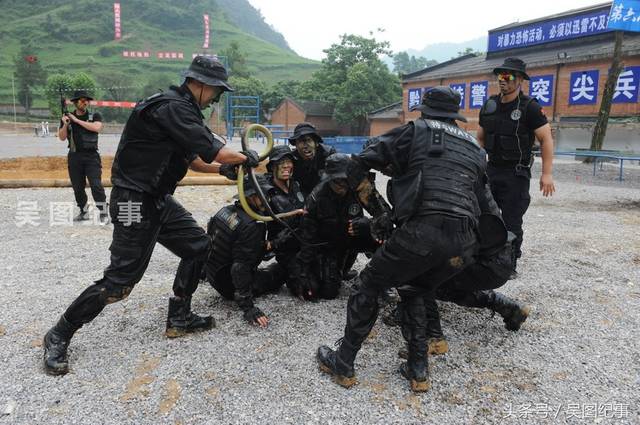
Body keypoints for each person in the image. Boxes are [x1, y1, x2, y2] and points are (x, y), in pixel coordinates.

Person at [42, 56, 259, 376]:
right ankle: (58, 333)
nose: (216, 98)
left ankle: (179, 317)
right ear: (199, 84)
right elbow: (214, 149)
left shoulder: (185, 114)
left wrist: (226, 169)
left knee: (199, 246)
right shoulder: (173, 107)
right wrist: (242, 156)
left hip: (157, 199)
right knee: (119, 283)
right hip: (134, 200)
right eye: (215, 91)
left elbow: (197, 162)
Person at [316, 86, 492, 392]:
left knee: (367, 285)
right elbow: (488, 206)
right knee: (415, 287)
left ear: (424, 111)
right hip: (466, 242)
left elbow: (356, 165)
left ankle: (343, 363)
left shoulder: (414, 131)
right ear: (455, 117)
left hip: (425, 231)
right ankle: (417, 369)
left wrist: (381, 213)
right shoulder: (475, 148)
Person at [478, 57, 555, 276]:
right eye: (499, 76)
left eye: (508, 76)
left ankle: (509, 263)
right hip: (491, 170)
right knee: (484, 214)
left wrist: (547, 174)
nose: (502, 80)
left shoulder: (529, 107)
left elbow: (546, 139)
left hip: (516, 173)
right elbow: (481, 139)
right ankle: (484, 256)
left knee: (511, 220)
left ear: (519, 80)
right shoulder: (490, 105)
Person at [295, 153, 385, 301]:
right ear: (328, 178)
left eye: (346, 180)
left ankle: (382, 281)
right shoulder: (315, 198)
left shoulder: (360, 187)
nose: (343, 186)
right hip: (332, 245)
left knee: (382, 239)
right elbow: (307, 237)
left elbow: (383, 215)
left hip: (355, 236)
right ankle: (340, 268)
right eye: (338, 181)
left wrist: (368, 224)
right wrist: (303, 273)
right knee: (328, 293)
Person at [204, 175, 286, 328]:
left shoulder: (225, 210)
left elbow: (210, 241)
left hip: (213, 274)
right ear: (248, 197)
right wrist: (248, 308)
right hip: (228, 285)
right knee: (281, 271)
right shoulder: (251, 226)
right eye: (260, 196)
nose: (266, 200)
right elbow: (240, 268)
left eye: (266, 195)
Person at [57, 90, 108, 222]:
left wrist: (77, 121)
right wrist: (66, 124)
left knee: (96, 185)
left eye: (86, 100)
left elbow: (97, 128)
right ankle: (83, 211)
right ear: (75, 103)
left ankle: (103, 212)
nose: (84, 102)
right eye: (81, 100)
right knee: (78, 187)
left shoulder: (94, 115)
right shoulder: (67, 117)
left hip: (92, 156)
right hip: (75, 156)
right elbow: (62, 138)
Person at [262, 145, 307, 296]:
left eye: (289, 161)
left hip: (303, 243)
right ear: (273, 167)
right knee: (304, 290)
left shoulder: (296, 185)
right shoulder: (266, 192)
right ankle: (278, 272)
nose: (287, 165)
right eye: (282, 162)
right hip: (284, 246)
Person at [288, 122, 336, 197]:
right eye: (301, 141)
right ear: (296, 145)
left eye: (308, 140)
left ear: (316, 143)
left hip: (325, 197)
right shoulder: (291, 159)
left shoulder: (329, 155)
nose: (305, 146)